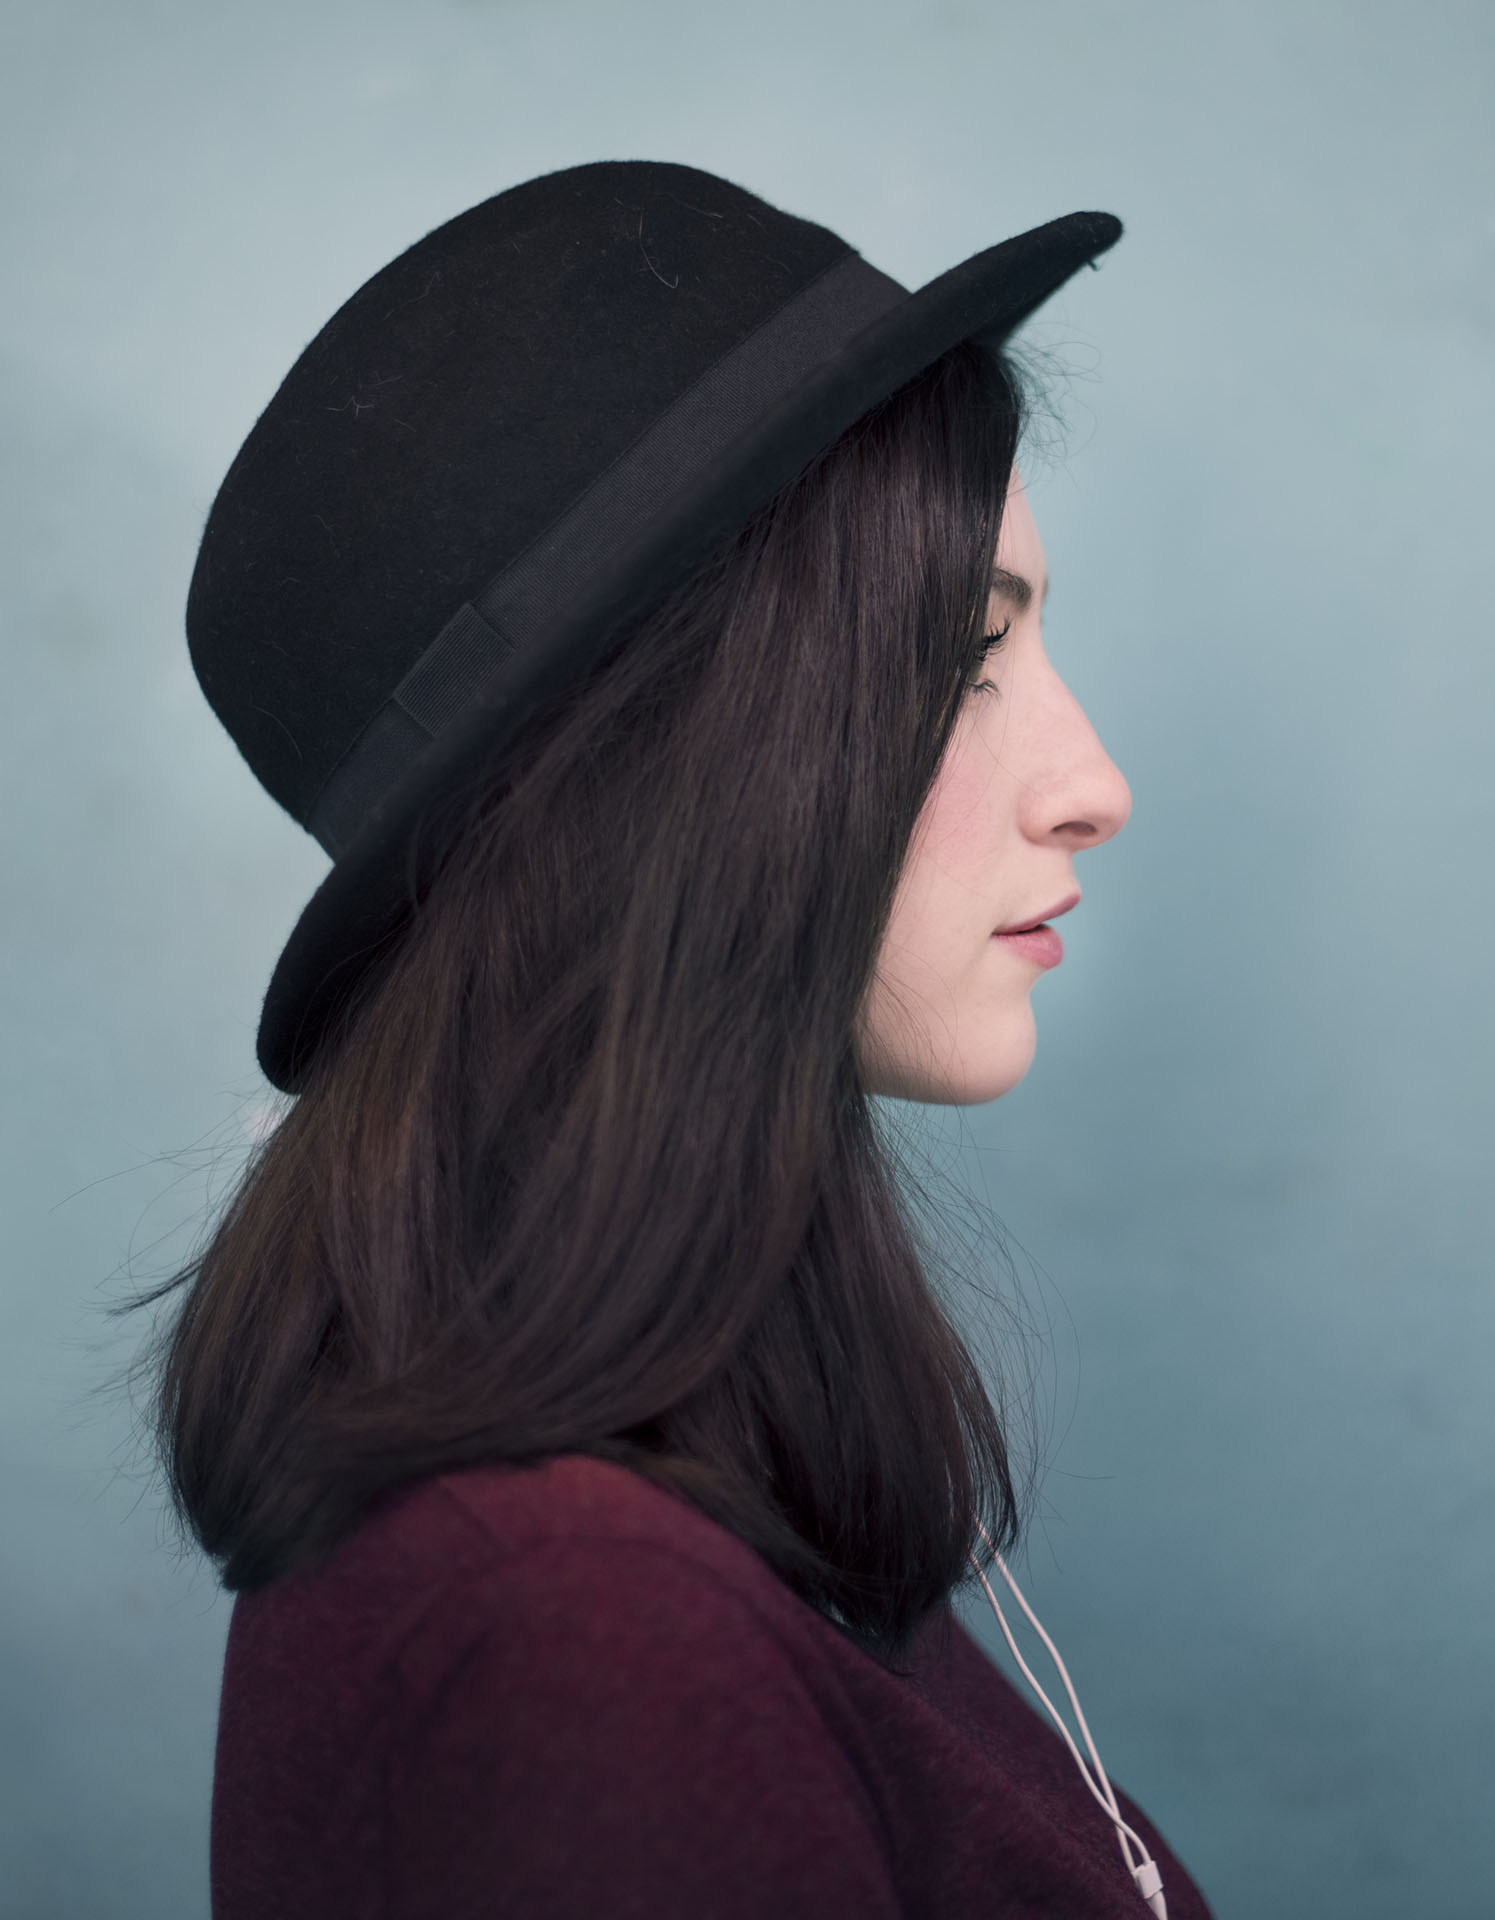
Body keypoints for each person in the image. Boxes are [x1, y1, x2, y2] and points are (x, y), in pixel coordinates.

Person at [151, 161, 1211, 1918]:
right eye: (961, 661)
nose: (1091, 787)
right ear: (665, 772)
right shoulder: (570, 1631)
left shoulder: (689, 1480)